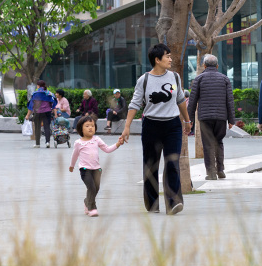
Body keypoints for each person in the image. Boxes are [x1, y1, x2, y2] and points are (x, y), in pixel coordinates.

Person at [119, 43, 192, 215]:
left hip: (172, 125)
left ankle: (173, 202)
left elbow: (180, 99)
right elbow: (135, 103)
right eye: (167, 56)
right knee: (151, 165)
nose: (170, 59)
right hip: (151, 125)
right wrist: (127, 126)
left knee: (172, 163)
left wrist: (187, 121)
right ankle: (152, 204)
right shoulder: (144, 80)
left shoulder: (174, 77)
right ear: (157, 60)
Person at [187, 54, 236, 180]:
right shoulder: (225, 79)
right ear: (217, 66)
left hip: (205, 117)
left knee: (208, 144)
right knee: (218, 142)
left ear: (204, 65)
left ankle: (211, 173)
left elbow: (192, 101)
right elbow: (229, 101)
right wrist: (231, 120)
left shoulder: (199, 79)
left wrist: (189, 120)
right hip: (221, 117)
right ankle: (220, 170)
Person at [69, 115, 124, 217]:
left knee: (96, 188)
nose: (90, 128)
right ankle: (92, 208)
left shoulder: (97, 139)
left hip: (97, 169)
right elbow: (74, 155)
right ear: (80, 128)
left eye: (92, 126)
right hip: (85, 170)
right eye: (87, 126)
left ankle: (87, 201)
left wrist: (117, 144)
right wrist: (71, 166)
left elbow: (107, 149)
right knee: (91, 188)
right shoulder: (78, 143)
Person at [26, 80, 56, 148]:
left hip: (38, 112)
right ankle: (47, 142)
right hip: (47, 112)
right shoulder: (49, 93)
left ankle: (37, 144)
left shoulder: (35, 94)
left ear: (38, 86)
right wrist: (55, 114)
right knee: (47, 127)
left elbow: (31, 106)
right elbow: (54, 104)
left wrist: (27, 115)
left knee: (37, 127)